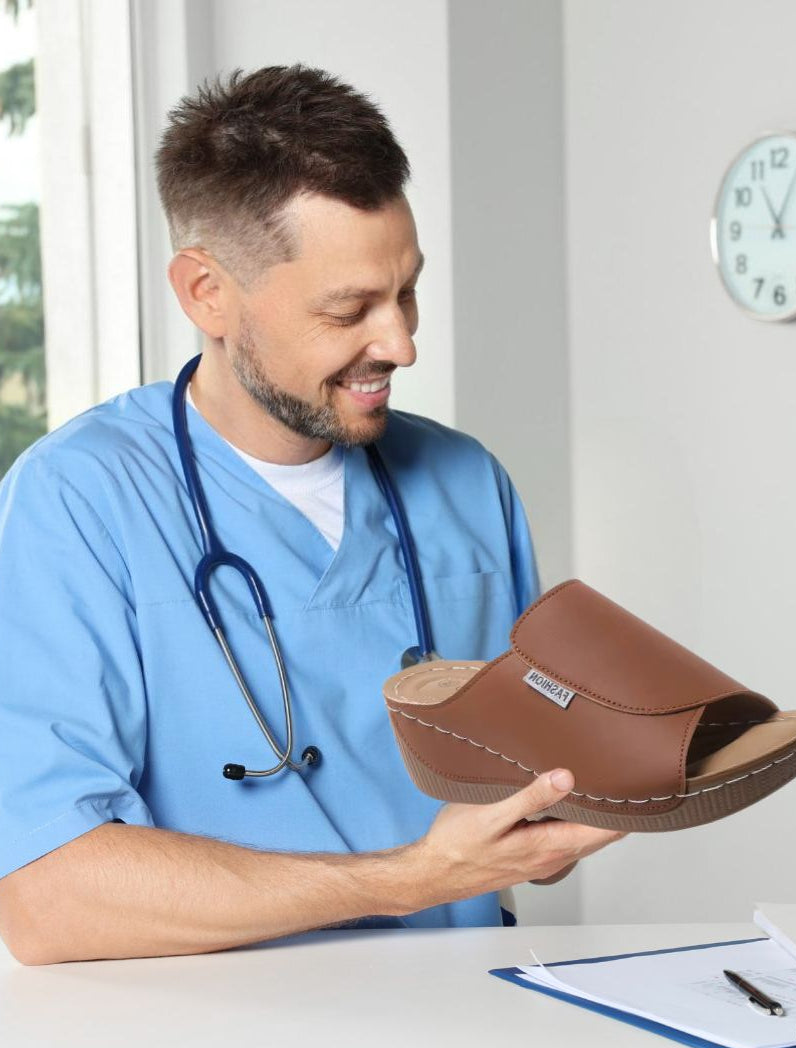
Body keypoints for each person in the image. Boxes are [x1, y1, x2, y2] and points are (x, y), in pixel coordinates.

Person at [0, 65, 623, 965]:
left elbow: (527, 798)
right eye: (349, 309)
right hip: (218, 1029)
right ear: (206, 292)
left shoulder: (465, 483)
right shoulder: (79, 503)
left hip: (467, 1010)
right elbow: (47, 898)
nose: (401, 343)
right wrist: (410, 878)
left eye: (406, 292)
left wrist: (609, 784)